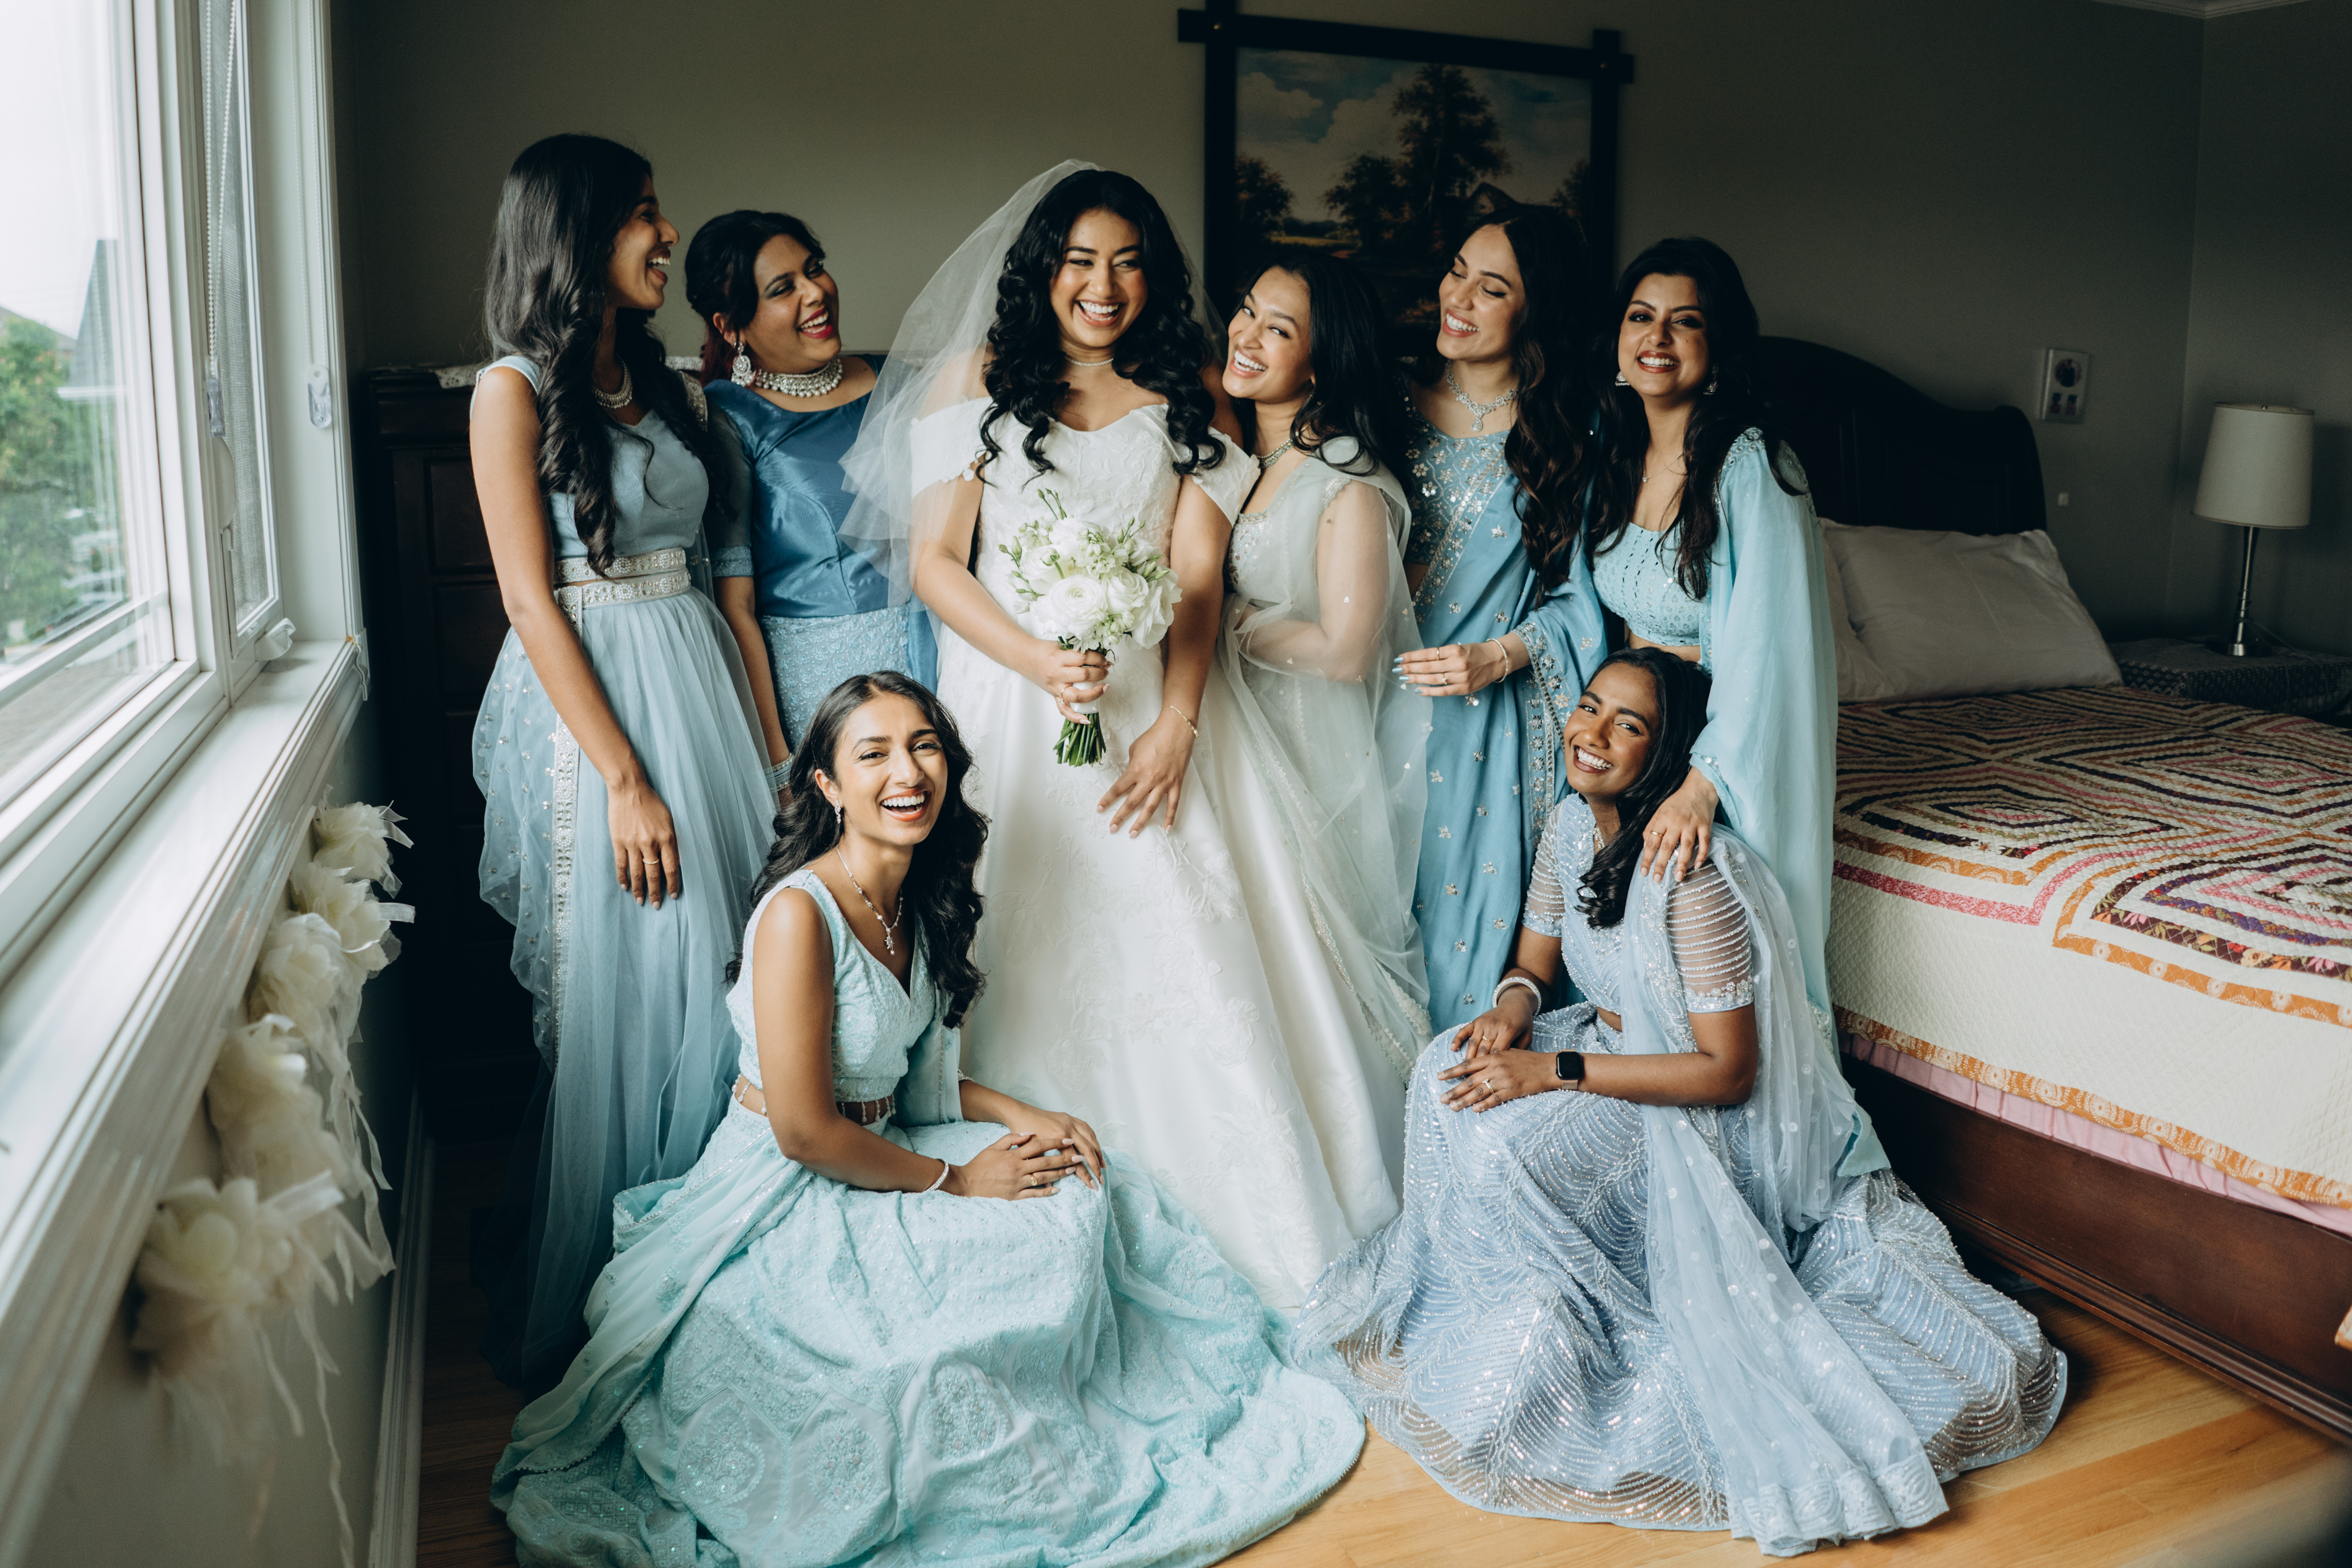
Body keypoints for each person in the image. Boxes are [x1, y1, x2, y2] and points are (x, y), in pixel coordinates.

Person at [492, 673, 1365, 1567]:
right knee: (912, 1359)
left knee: (1080, 1195)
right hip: (789, 1182)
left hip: (887, 1140)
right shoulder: (799, 916)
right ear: (827, 786)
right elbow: (805, 1130)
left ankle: (1081, 1421)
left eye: (923, 746)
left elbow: (911, 1080)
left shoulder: (918, 896)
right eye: (872, 754)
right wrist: (960, 1179)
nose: (907, 772)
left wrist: (1023, 1112)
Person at [1293, 650, 2066, 1557]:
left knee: (1507, 1148)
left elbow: (1725, 1072)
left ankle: (1569, 1330)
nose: (1592, 734)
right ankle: (1490, 1320)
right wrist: (1508, 1014)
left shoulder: (1695, 875)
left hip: (1689, 1105)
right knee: (1442, 1076)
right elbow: (1533, 963)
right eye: (1589, 707)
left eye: (1628, 725)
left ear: (1664, 754)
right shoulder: (1567, 826)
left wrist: (1549, 1072)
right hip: (1602, 1043)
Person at [837, 163, 1378, 1308]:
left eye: (1128, 263)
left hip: (1149, 712)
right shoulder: (976, 381)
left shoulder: (1192, 391)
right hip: (1007, 707)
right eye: (1081, 261)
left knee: (1179, 938)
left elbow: (1195, 581)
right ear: (1043, 270)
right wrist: (1035, 658)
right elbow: (936, 563)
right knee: (1010, 940)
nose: (1103, 285)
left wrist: (1176, 721)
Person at [468, 134, 780, 1393]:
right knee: (641, 981)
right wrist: (625, 781)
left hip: (697, 683)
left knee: (732, 971)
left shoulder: (671, 386)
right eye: (646, 215)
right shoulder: (508, 392)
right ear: (578, 234)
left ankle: (729, 1252)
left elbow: (717, 566)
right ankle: (633, 1276)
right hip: (600, 715)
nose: (667, 235)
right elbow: (528, 599)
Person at [1204, 254, 1432, 1191]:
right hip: (1230, 739)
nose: (1246, 336)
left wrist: (1224, 623)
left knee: (1309, 958)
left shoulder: (1346, 479)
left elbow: (1346, 649)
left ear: (1321, 358)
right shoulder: (1239, 459)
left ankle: (1345, 1163)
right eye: (1246, 312)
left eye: (1278, 328)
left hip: (1304, 746)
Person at [1574, 236, 1842, 1017]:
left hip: (1710, 751)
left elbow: (1769, 650)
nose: (1656, 338)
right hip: (1631, 744)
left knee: (1704, 984)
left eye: (1684, 321)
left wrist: (1700, 787)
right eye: (1640, 317)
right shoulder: (1614, 453)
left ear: (1717, 346)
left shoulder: (1752, 465)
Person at [1391, 206, 1608, 1030]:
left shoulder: (1570, 434)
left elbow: (1585, 599)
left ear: (1534, 310)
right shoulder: (1382, 403)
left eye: (1491, 289)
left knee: (1454, 939)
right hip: (1358, 699)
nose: (1458, 299)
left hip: (1481, 725)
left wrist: (1499, 655)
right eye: (1456, 271)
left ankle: (1450, 1098)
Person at [684, 209, 937, 754]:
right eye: (783, 289)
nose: (816, 292)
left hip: (942, 654)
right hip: (824, 682)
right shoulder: (727, 417)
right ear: (730, 327)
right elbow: (736, 606)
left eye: (814, 268)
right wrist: (777, 757)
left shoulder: (900, 381)